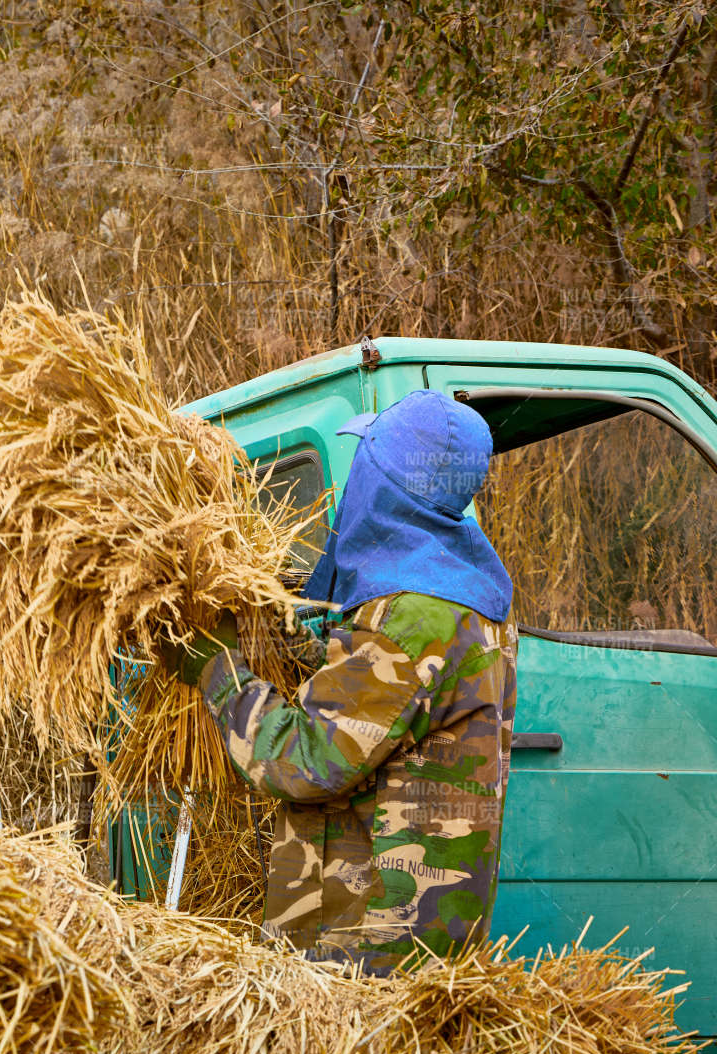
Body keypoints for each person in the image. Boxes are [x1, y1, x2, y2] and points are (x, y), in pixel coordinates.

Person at [176, 389, 517, 975]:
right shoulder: (463, 596)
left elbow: (306, 762)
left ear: (384, 491)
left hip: (367, 953)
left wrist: (219, 670)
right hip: (414, 944)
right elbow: (382, 714)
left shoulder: (414, 619)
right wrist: (296, 648)